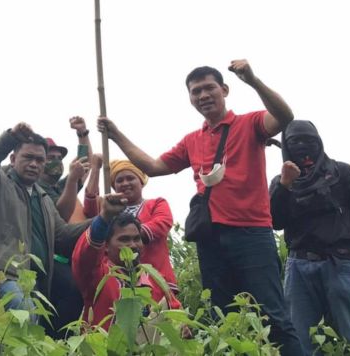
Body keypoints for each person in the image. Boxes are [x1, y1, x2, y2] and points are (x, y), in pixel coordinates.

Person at [98, 60, 304, 355]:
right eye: (196, 92)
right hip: (211, 239)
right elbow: (154, 167)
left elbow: (284, 117)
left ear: (225, 90)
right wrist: (116, 134)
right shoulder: (192, 140)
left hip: (252, 234)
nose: (203, 95)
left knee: (273, 314)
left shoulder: (250, 123)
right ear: (191, 98)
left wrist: (253, 80)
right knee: (221, 316)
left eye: (209, 88)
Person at [271, 120, 350, 355]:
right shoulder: (281, 181)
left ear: (319, 142)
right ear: (286, 146)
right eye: (295, 141)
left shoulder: (341, 173)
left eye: (309, 141)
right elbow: (275, 222)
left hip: (341, 263)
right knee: (299, 345)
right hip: (299, 268)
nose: (303, 146)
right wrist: (284, 185)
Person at [0, 122, 89, 323]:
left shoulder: (43, 199)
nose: (34, 164)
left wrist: (104, 218)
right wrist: (10, 137)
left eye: (40, 160)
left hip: (32, 284)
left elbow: (63, 237)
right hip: (0, 276)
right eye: (28, 157)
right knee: (25, 322)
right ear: (13, 158)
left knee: (22, 341)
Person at [72, 193, 181, 334]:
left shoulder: (156, 279)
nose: (133, 245)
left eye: (137, 238)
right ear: (106, 246)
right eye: (124, 239)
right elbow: (84, 257)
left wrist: (181, 328)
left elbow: (176, 313)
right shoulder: (99, 276)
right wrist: (104, 217)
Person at [83, 159, 178, 295]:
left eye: (130, 178)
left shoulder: (157, 203)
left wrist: (121, 236)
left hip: (156, 281)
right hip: (117, 282)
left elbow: (162, 223)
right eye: (119, 180)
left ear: (141, 181)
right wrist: (96, 168)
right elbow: (89, 207)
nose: (125, 183)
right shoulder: (107, 209)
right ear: (114, 186)